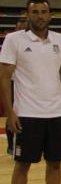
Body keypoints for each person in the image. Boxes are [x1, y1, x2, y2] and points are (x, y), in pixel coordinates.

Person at [0, 0, 61, 184]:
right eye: (35, 12)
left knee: (55, 163)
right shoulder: (14, 40)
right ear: (27, 14)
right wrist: (10, 112)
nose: (40, 16)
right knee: (22, 166)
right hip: (27, 116)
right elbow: (4, 77)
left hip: (55, 115)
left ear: (50, 15)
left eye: (44, 12)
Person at [5, 16, 28, 155]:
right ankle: (10, 145)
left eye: (24, 28)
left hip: (25, 85)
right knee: (12, 114)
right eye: (19, 28)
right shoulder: (10, 43)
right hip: (13, 83)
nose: (21, 31)